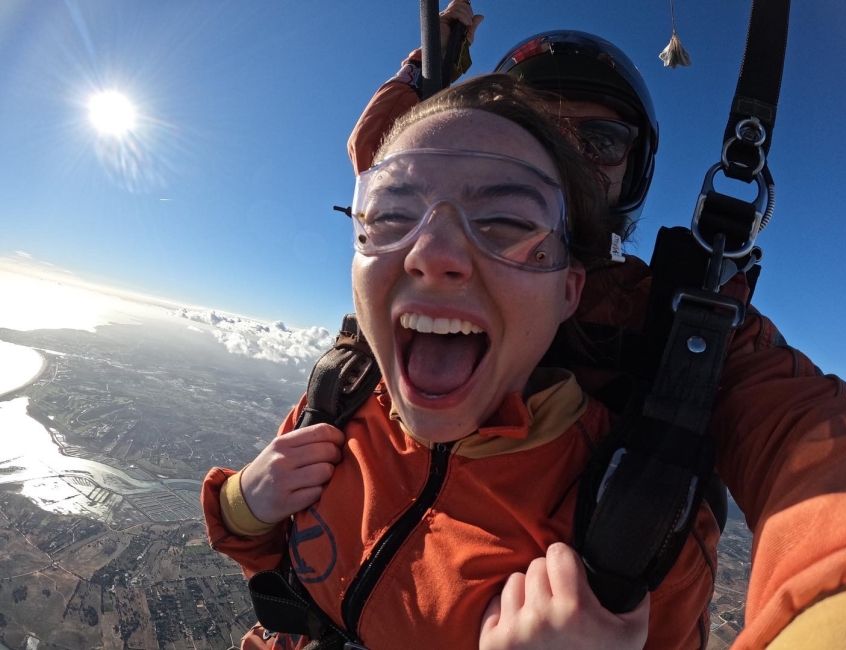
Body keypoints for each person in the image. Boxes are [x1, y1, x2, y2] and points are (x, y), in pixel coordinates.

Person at [336, 5, 846, 649]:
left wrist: (841, 607)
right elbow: (398, 157)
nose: (567, 154)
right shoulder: (417, 249)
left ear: (634, 171)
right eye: (538, 125)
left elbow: (811, 438)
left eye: (602, 141)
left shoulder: (678, 322)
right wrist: (433, 62)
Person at [204, 74, 653, 649]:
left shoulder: (626, 517)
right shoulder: (342, 398)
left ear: (569, 290)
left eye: (507, 222)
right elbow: (284, 576)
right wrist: (246, 506)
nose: (431, 255)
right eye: (391, 214)